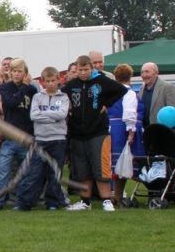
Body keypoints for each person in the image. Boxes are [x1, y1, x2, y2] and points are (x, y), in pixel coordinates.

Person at [62, 55, 126, 211]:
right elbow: (60, 97)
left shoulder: (101, 82)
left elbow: (121, 89)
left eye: (86, 69)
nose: (83, 73)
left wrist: (107, 103)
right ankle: (85, 202)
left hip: (98, 132)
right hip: (77, 132)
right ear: (76, 70)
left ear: (92, 69)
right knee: (82, 169)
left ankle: (106, 200)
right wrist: (67, 108)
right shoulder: (71, 85)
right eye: (80, 70)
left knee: (100, 167)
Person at [14, 67, 70, 210]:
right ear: (43, 82)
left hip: (58, 140)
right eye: (48, 81)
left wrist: (44, 115)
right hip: (40, 140)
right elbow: (34, 116)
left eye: (53, 80)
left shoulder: (63, 97)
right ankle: (24, 203)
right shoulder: (38, 97)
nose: (51, 83)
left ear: (58, 80)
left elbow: (62, 115)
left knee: (55, 173)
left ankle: (52, 203)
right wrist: (53, 116)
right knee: (34, 173)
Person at [0, 58, 37, 209]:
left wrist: (26, 86)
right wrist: (24, 86)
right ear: (10, 72)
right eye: (14, 71)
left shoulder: (32, 90)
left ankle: (22, 202)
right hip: (10, 137)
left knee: (26, 172)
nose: (17, 74)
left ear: (25, 73)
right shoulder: (5, 88)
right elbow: (12, 103)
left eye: (20, 71)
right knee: (3, 171)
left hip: (26, 137)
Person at [108, 64, 145, 204]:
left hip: (113, 128)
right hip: (123, 129)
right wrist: (131, 132)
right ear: (130, 77)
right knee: (125, 163)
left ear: (116, 77)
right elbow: (129, 114)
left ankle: (116, 196)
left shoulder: (112, 92)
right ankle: (117, 196)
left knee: (119, 164)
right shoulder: (129, 93)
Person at [139, 62, 175, 128]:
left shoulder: (167, 87)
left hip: (162, 131)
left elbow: (172, 111)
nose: (144, 75)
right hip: (145, 131)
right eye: (142, 72)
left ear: (156, 73)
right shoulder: (141, 88)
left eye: (147, 72)